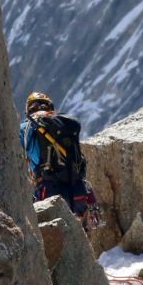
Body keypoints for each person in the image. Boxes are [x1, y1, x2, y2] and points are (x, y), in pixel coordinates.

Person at [21, 91, 101, 226]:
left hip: (49, 189)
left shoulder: (28, 126)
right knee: (79, 233)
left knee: (49, 235)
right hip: (77, 189)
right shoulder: (63, 124)